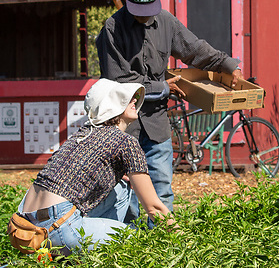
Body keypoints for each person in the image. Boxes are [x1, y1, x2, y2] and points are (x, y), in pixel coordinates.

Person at [95, 0, 243, 220]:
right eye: (138, 10)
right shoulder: (112, 29)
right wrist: (162, 88)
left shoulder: (166, 22)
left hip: (156, 123)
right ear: (127, 2)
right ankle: (128, 248)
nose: (145, 15)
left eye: (149, 9)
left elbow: (195, 50)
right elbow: (120, 82)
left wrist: (227, 64)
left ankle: (161, 245)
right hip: (123, 127)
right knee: (124, 193)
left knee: (161, 189)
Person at [11, 78, 170, 254]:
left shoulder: (82, 134)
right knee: (134, 240)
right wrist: (184, 238)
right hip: (59, 226)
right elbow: (153, 207)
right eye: (125, 98)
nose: (134, 100)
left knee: (123, 187)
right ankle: (98, 253)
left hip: (24, 226)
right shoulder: (126, 142)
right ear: (111, 105)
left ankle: (88, 251)